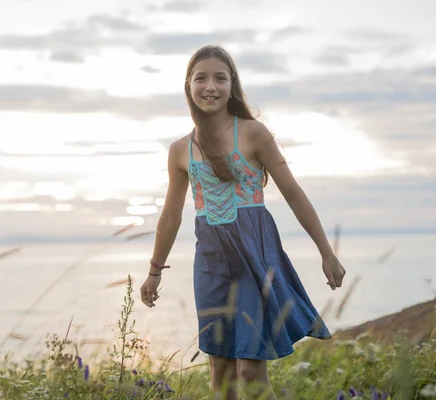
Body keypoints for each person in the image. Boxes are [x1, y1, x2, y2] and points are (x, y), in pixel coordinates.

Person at [139, 45, 346, 400]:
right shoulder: (179, 151)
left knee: (249, 367)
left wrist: (327, 252)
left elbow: (294, 194)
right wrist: (154, 271)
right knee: (219, 366)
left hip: (255, 259)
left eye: (220, 78)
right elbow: (171, 215)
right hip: (212, 265)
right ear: (188, 86)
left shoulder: (253, 134)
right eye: (200, 78)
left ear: (232, 86)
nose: (210, 86)